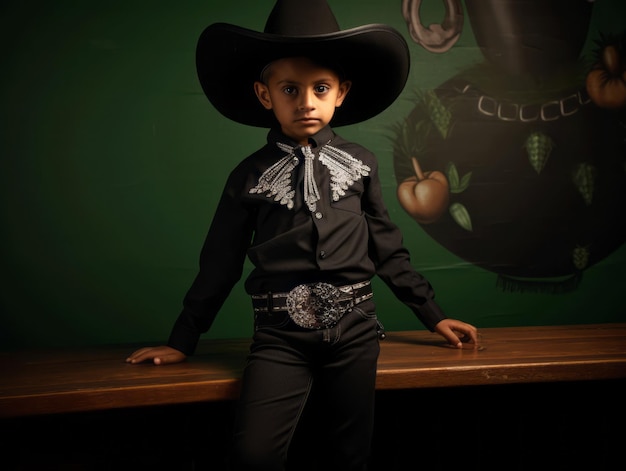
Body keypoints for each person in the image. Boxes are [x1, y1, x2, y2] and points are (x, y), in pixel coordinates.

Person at [127, 0, 479, 469]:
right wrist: (182, 338)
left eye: (320, 88)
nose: (306, 102)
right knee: (253, 453)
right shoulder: (247, 175)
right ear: (264, 94)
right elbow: (220, 261)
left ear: (341, 93)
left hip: (356, 330)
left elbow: (388, 250)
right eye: (290, 89)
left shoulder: (362, 165)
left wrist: (432, 315)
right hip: (279, 335)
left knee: (349, 454)